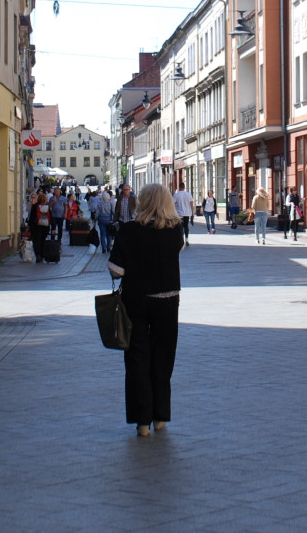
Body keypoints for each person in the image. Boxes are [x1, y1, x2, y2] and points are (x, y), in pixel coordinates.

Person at [107, 183, 184, 438]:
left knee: (137, 358)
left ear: (142, 201)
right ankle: (160, 416)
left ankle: (142, 421)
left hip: (136, 300)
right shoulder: (176, 230)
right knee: (164, 357)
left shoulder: (129, 231)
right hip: (168, 300)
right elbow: (177, 251)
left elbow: (116, 270)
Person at [28, 192, 51, 263]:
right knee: (43, 241)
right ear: (45, 199)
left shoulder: (35, 206)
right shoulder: (48, 207)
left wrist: (29, 226)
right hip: (45, 227)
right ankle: (42, 255)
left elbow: (31, 217)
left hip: (36, 227)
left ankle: (38, 255)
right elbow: (51, 217)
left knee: (36, 241)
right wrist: (52, 227)